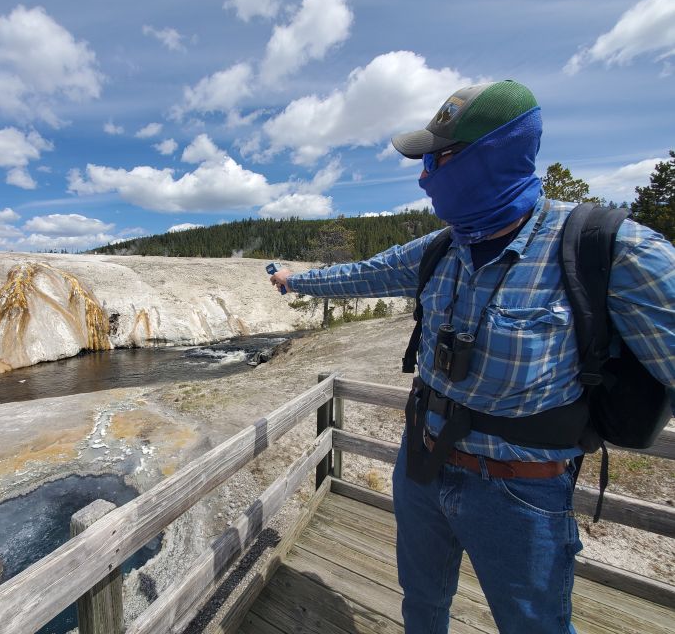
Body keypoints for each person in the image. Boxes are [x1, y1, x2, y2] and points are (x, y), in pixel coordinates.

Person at [269, 80, 675, 633]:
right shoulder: (443, 246)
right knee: (421, 602)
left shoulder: (612, 250)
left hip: (521, 490)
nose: (424, 177)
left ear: (487, 158)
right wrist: (296, 280)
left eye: (436, 160)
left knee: (535, 625)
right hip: (422, 463)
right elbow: (364, 273)